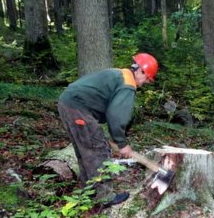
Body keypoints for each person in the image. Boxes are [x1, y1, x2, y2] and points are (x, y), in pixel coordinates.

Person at [57, 53, 158, 207]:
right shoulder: (127, 84)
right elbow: (116, 116)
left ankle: (89, 193)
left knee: (85, 151)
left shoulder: (118, 74)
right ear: (140, 71)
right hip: (78, 109)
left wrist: (116, 137)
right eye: (147, 79)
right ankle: (104, 197)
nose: (145, 83)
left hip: (68, 104)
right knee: (97, 150)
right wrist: (121, 143)